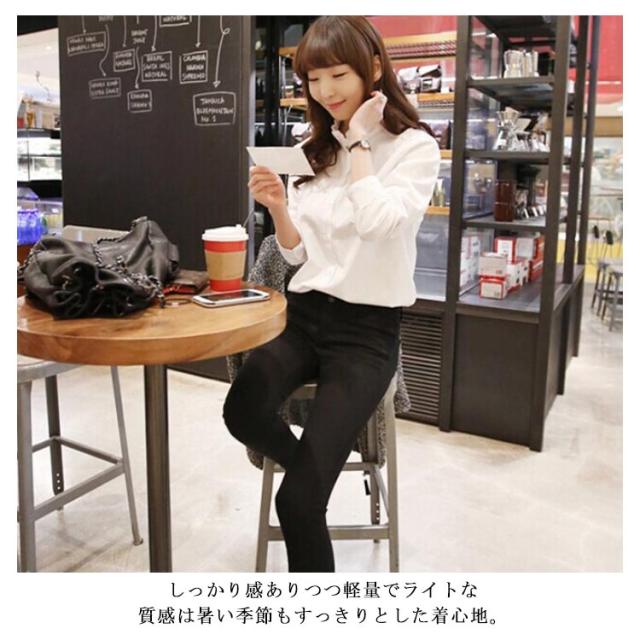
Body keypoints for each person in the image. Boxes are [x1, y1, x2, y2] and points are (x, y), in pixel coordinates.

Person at [223, 15, 440, 572]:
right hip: (304, 317)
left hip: (367, 333)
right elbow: (298, 257)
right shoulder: (313, 148)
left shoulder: (414, 148)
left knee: (295, 505)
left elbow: (378, 224)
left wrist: (360, 142)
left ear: (374, 68)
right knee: (241, 410)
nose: (325, 91)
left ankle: (307, 493)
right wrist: (278, 207)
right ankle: (311, 474)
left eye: (338, 75)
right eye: (313, 80)